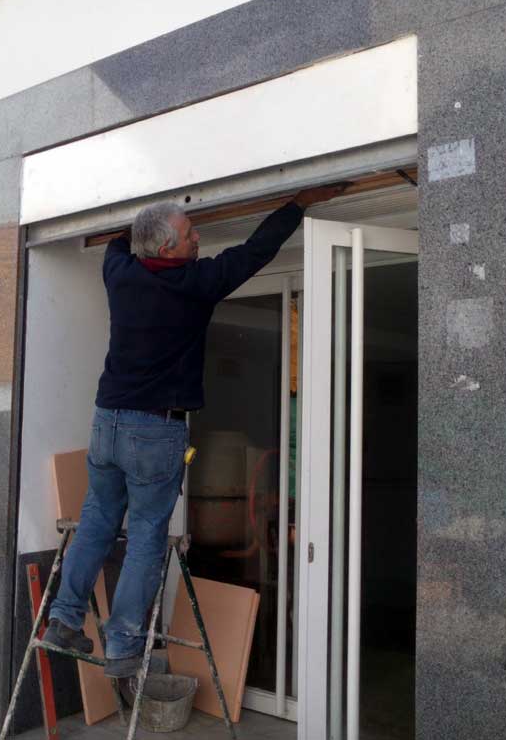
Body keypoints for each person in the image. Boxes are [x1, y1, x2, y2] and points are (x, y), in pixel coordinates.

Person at [43, 182, 349, 677]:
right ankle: (121, 647)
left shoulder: (119, 273)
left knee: (98, 519)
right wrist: (297, 205)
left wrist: (132, 219)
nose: (197, 236)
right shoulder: (195, 283)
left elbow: (120, 242)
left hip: (108, 421)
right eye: (188, 234)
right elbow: (255, 252)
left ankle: (63, 617)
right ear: (166, 248)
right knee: (144, 534)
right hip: (154, 431)